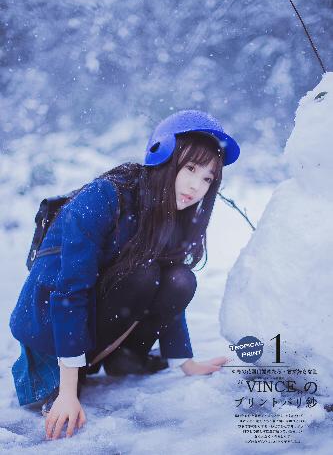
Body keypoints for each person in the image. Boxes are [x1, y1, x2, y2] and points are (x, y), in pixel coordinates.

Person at [9, 109, 240, 441]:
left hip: (94, 333)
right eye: (190, 168)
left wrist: (184, 361)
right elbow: (69, 291)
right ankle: (81, 370)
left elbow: (171, 288)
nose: (197, 186)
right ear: (162, 156)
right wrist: (68, 392)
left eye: (207, 178)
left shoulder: (170, 210)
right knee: (143, 274)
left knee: (179, 278)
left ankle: (126, 360)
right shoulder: (104, 196)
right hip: (51, 341)